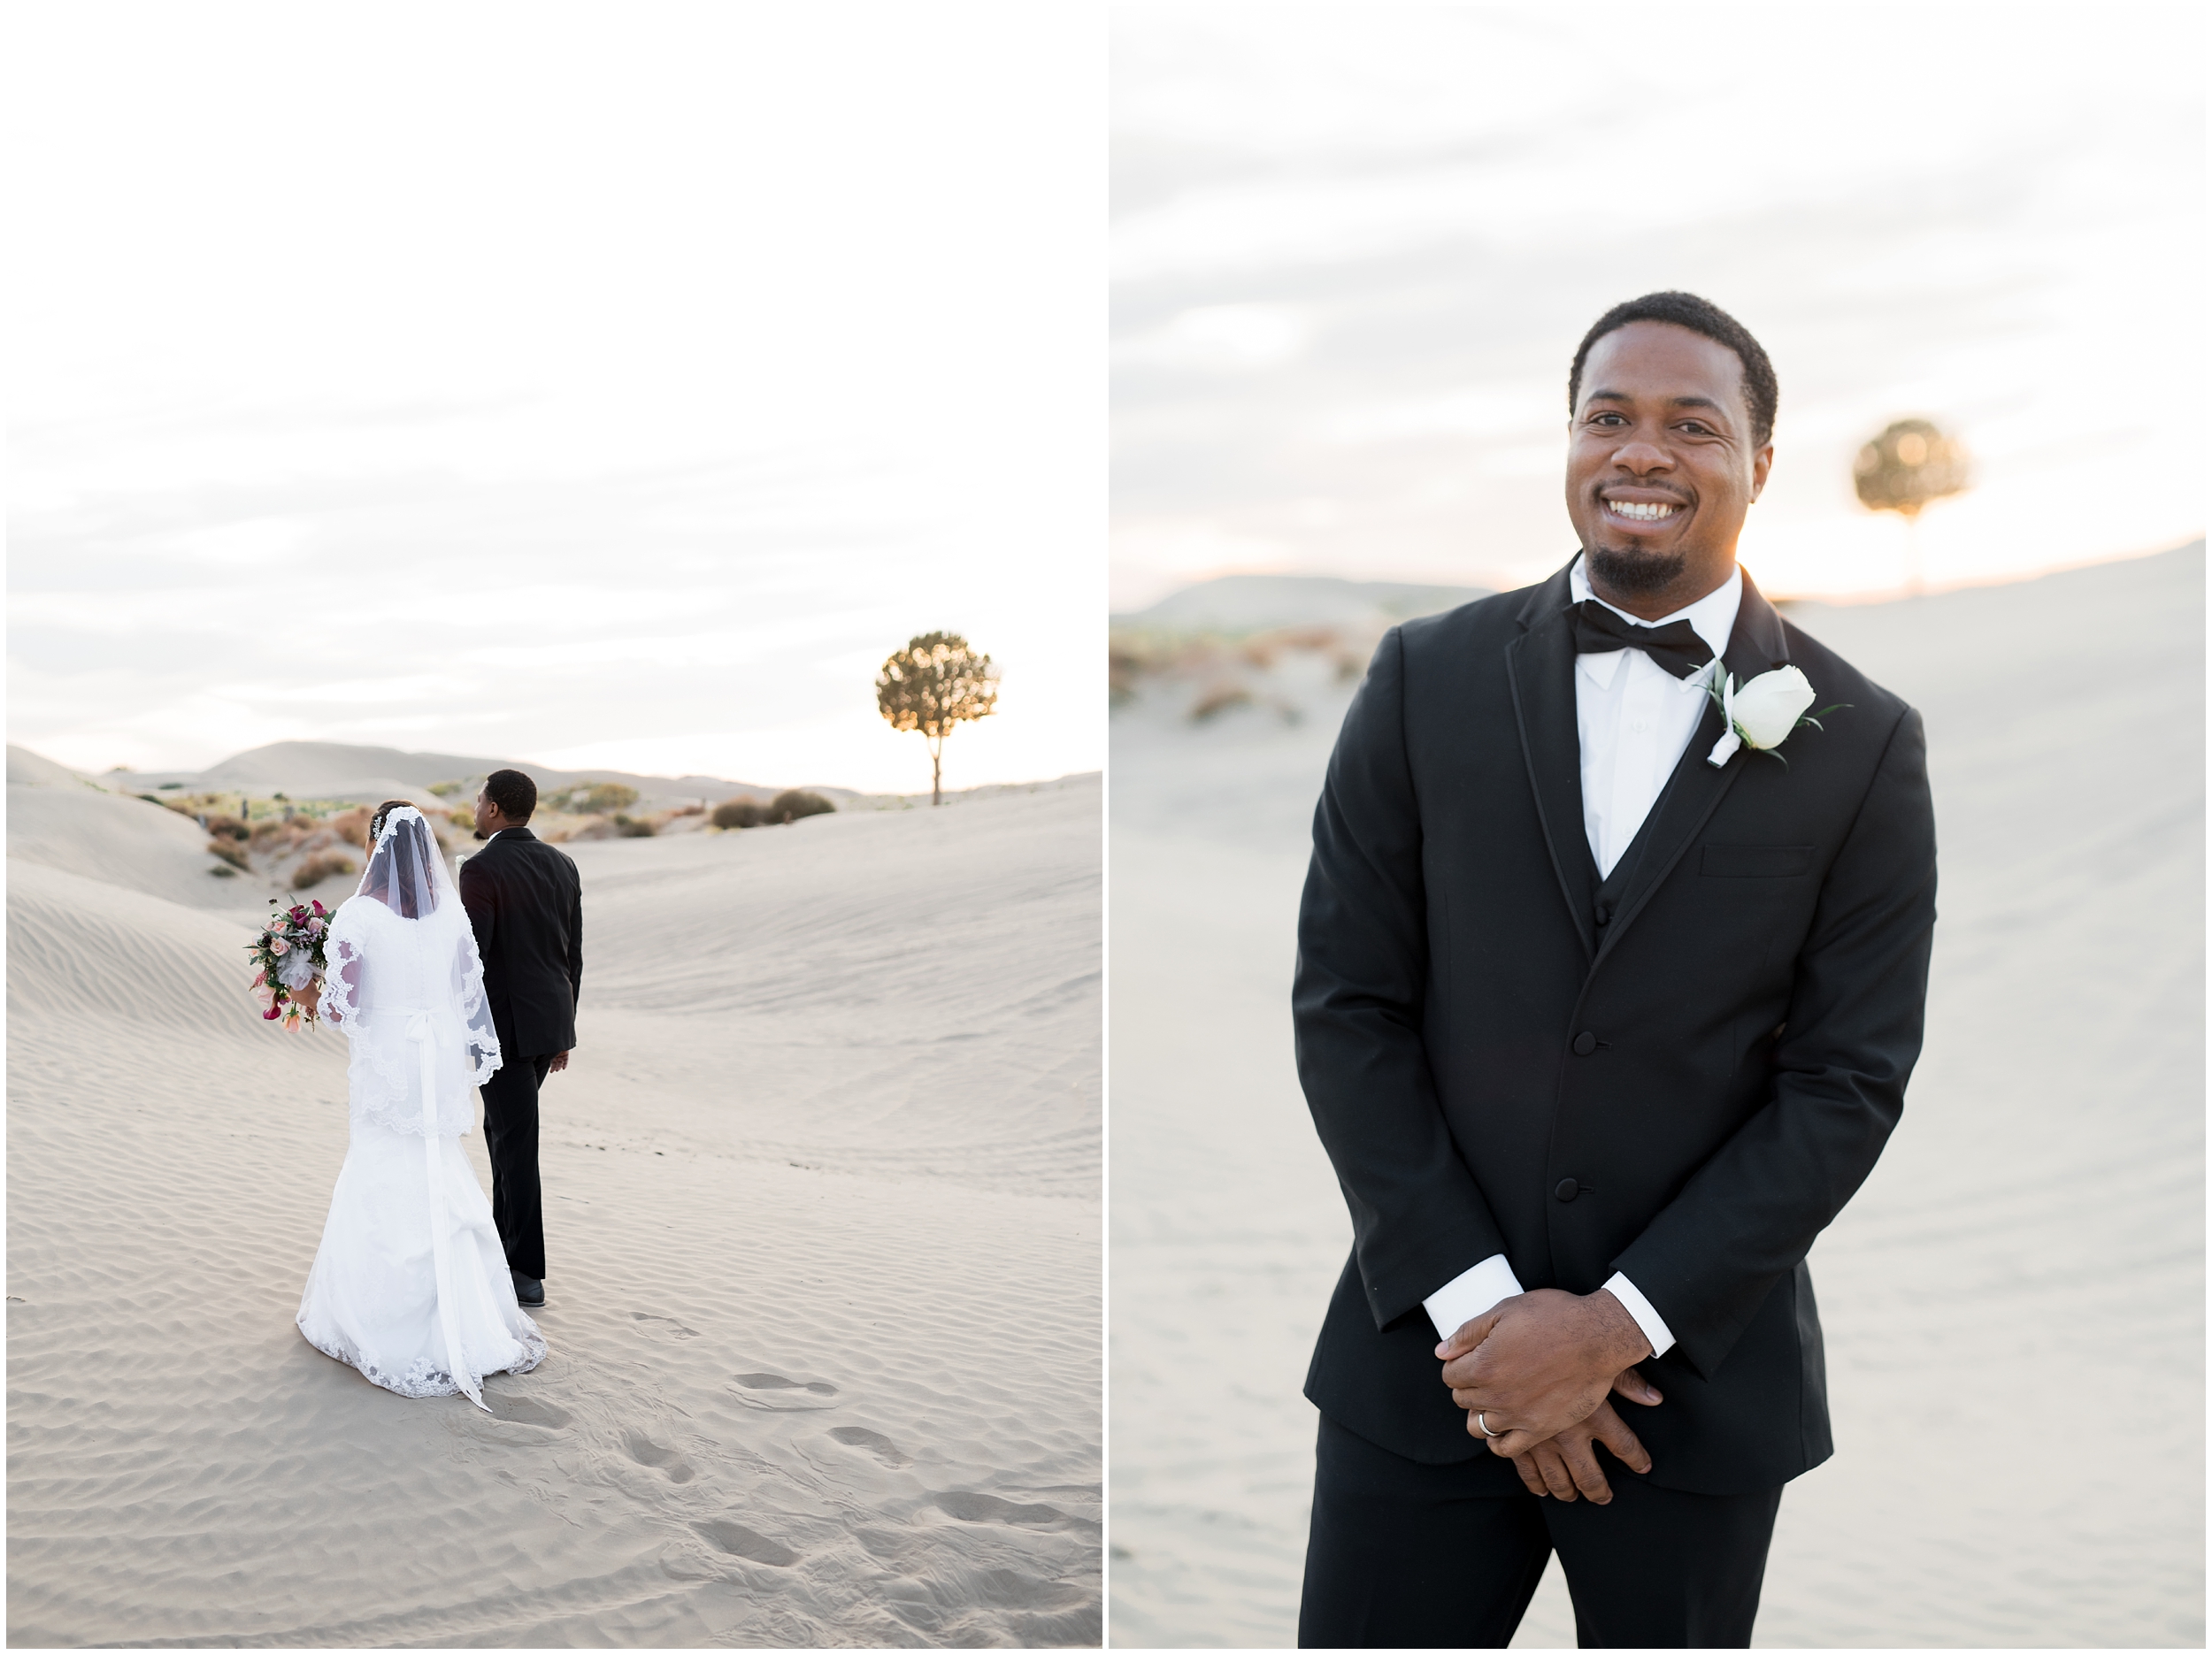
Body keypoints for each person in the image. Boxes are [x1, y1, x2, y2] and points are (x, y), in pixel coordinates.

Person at [1292, 291, 1938, 1648]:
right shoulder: (1423, 678)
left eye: (1692, 424)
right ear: (1570, 442)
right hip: (1426, 1373)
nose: (1641, 451)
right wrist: (1487, 1318)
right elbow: (1350, 1004)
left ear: (1761, 461)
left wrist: (1616, 1327)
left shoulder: (1863, 740)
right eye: (1608, 417)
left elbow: (1845, 1083)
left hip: (1689, 1402)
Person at [296, 802, 545, 1408]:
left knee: (382, 1160)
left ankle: (385, 1323)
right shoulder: (449, 916)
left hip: (389, 1060)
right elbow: (467, 996)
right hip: (433, 1058)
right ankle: (473, 1318)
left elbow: (340, 1007)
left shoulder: (359, 914)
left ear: (375, 848)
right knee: (437, 1158)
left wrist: (304, 987)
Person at [457, 768, 581, 1311]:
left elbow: (474, 959)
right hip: (548, 1023)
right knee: (505, 1133)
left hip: (503, 1028)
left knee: (516, 1142)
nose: (475, 806)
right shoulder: (563, 863)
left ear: (494, 809)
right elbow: (571, 954)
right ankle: (501, 1247)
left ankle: (526, 1271)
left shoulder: (481, 868)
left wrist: (462, 1026)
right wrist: (563, 1030)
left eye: (480, 799)